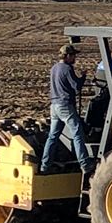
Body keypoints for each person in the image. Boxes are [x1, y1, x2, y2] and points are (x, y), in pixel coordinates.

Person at [39, 39, 93, 177]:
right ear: (68, 56)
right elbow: (76, 87)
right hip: (65, 105)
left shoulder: (54, 68)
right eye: (73, 55)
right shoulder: (67, 69)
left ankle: (45, 166)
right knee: (77, 133)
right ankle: (85, 164)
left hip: (54, 106)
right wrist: (83, 77)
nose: (75, 58)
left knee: (53, 136)